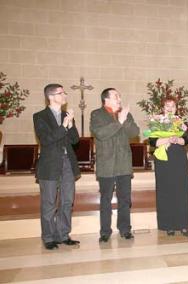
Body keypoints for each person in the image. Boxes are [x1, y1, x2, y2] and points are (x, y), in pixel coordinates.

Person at [33, 84, 81, 250]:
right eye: (61, 93)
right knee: (49, 204)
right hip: (50, 166)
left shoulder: (66, 115)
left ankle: (63, 234)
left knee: (67, 201)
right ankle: (48, 237)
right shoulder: (40, 116)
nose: (65, 95)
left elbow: (75, 140)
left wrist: (70, 124)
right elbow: (46, 140)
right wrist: (63, 127)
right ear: (51, 97)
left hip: (68, 163)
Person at [90, 88, 140, 243]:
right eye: (116, 96)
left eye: (119, 95)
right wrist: (119, 121)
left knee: (125, 199)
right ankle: (105, 231)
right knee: (106, 199)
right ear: (106, 99)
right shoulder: (96, 114)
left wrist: (124, 119)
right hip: (106, 164)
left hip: (124, 164)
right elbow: (101, 134)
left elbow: (134, 133)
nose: (119, 98)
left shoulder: (125, 114)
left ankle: (125, 229)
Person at [149, 96, 188, 236]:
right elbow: (152, 141)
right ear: (163, 108)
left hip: (179, 159)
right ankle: (168, 225)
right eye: (167, 106)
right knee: (165, 191)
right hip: (163, 160)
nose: (170, 108)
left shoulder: (181, 122)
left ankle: (184, 225)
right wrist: (168, 138)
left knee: (182, 191)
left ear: (176, 108)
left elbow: (186, 140)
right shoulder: (156, 121)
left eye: (173, 106)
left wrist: (177, 139)